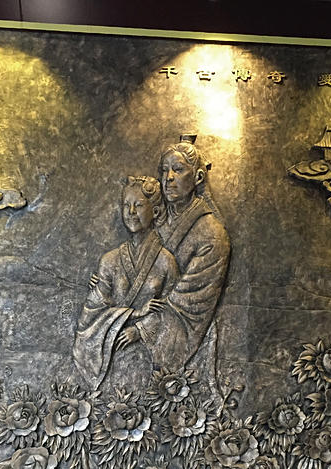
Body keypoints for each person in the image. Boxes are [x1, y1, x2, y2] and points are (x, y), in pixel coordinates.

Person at [120, 136, 231, 374]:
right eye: (164, 170)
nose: (168, 178)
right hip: (132, 315)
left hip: (171, 331)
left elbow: (188, 300)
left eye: (178, 170)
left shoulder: (212, 234)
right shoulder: (155, 217)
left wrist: (141, 329)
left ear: (198, 177)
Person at [73, 176, 179, 389]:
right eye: (126, 205)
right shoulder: (109, 260)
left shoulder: (166, 261)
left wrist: (140, 330)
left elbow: (173, 312)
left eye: (138, 205)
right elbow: (92, 312)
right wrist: (136, 314)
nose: (131, 212)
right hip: (112, 351)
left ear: (155, 211)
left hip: (148, 356)